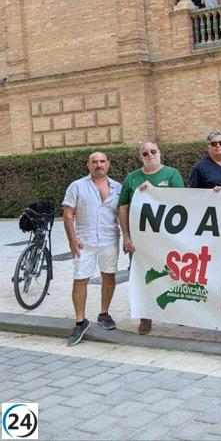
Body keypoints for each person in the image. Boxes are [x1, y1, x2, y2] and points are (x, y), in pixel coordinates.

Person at [118, 140, 184, 335]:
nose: (149, 155)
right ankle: (145, 316)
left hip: (166, 237)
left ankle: (179, 312)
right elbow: (123, 207)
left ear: (160, 153)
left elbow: (182, 202)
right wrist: (126, 236)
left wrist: (155, 192)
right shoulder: (132, 178)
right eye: (145, 153)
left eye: (152, 151)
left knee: (173, 274)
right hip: (140, 241)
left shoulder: (172, 174)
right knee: (141, 276)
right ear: (141, 157)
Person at [62, 152, 122, 346]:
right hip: (84, 242)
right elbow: (68, 214)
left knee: (109, 277)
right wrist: (72, 240)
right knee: (80, 280)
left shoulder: (118, 188)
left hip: (109, 240)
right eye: (94, 162)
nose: (98, 165)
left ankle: (104, 314)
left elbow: (124, 214)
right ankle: (80, 322)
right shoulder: (77, 186)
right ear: (88, 165)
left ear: (108, 164)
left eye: (102, 161)